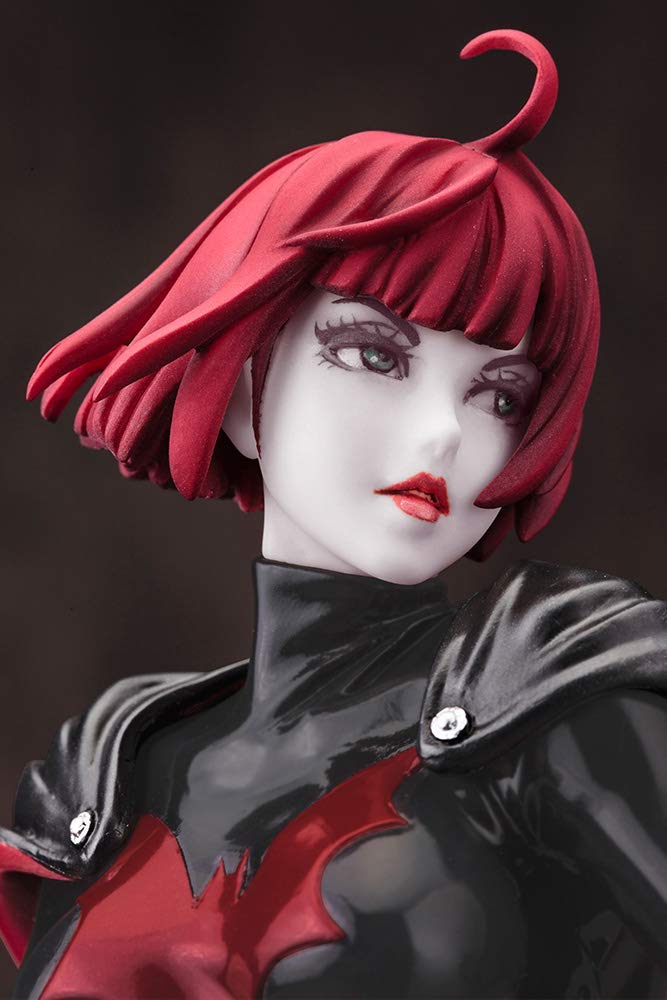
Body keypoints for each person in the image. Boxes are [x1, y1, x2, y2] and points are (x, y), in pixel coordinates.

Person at [2, 27, 666, 999]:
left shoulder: (553, 706)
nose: (442, 432)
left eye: (500, 395)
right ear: (242, 387)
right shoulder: (107, 771)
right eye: (373, 354)